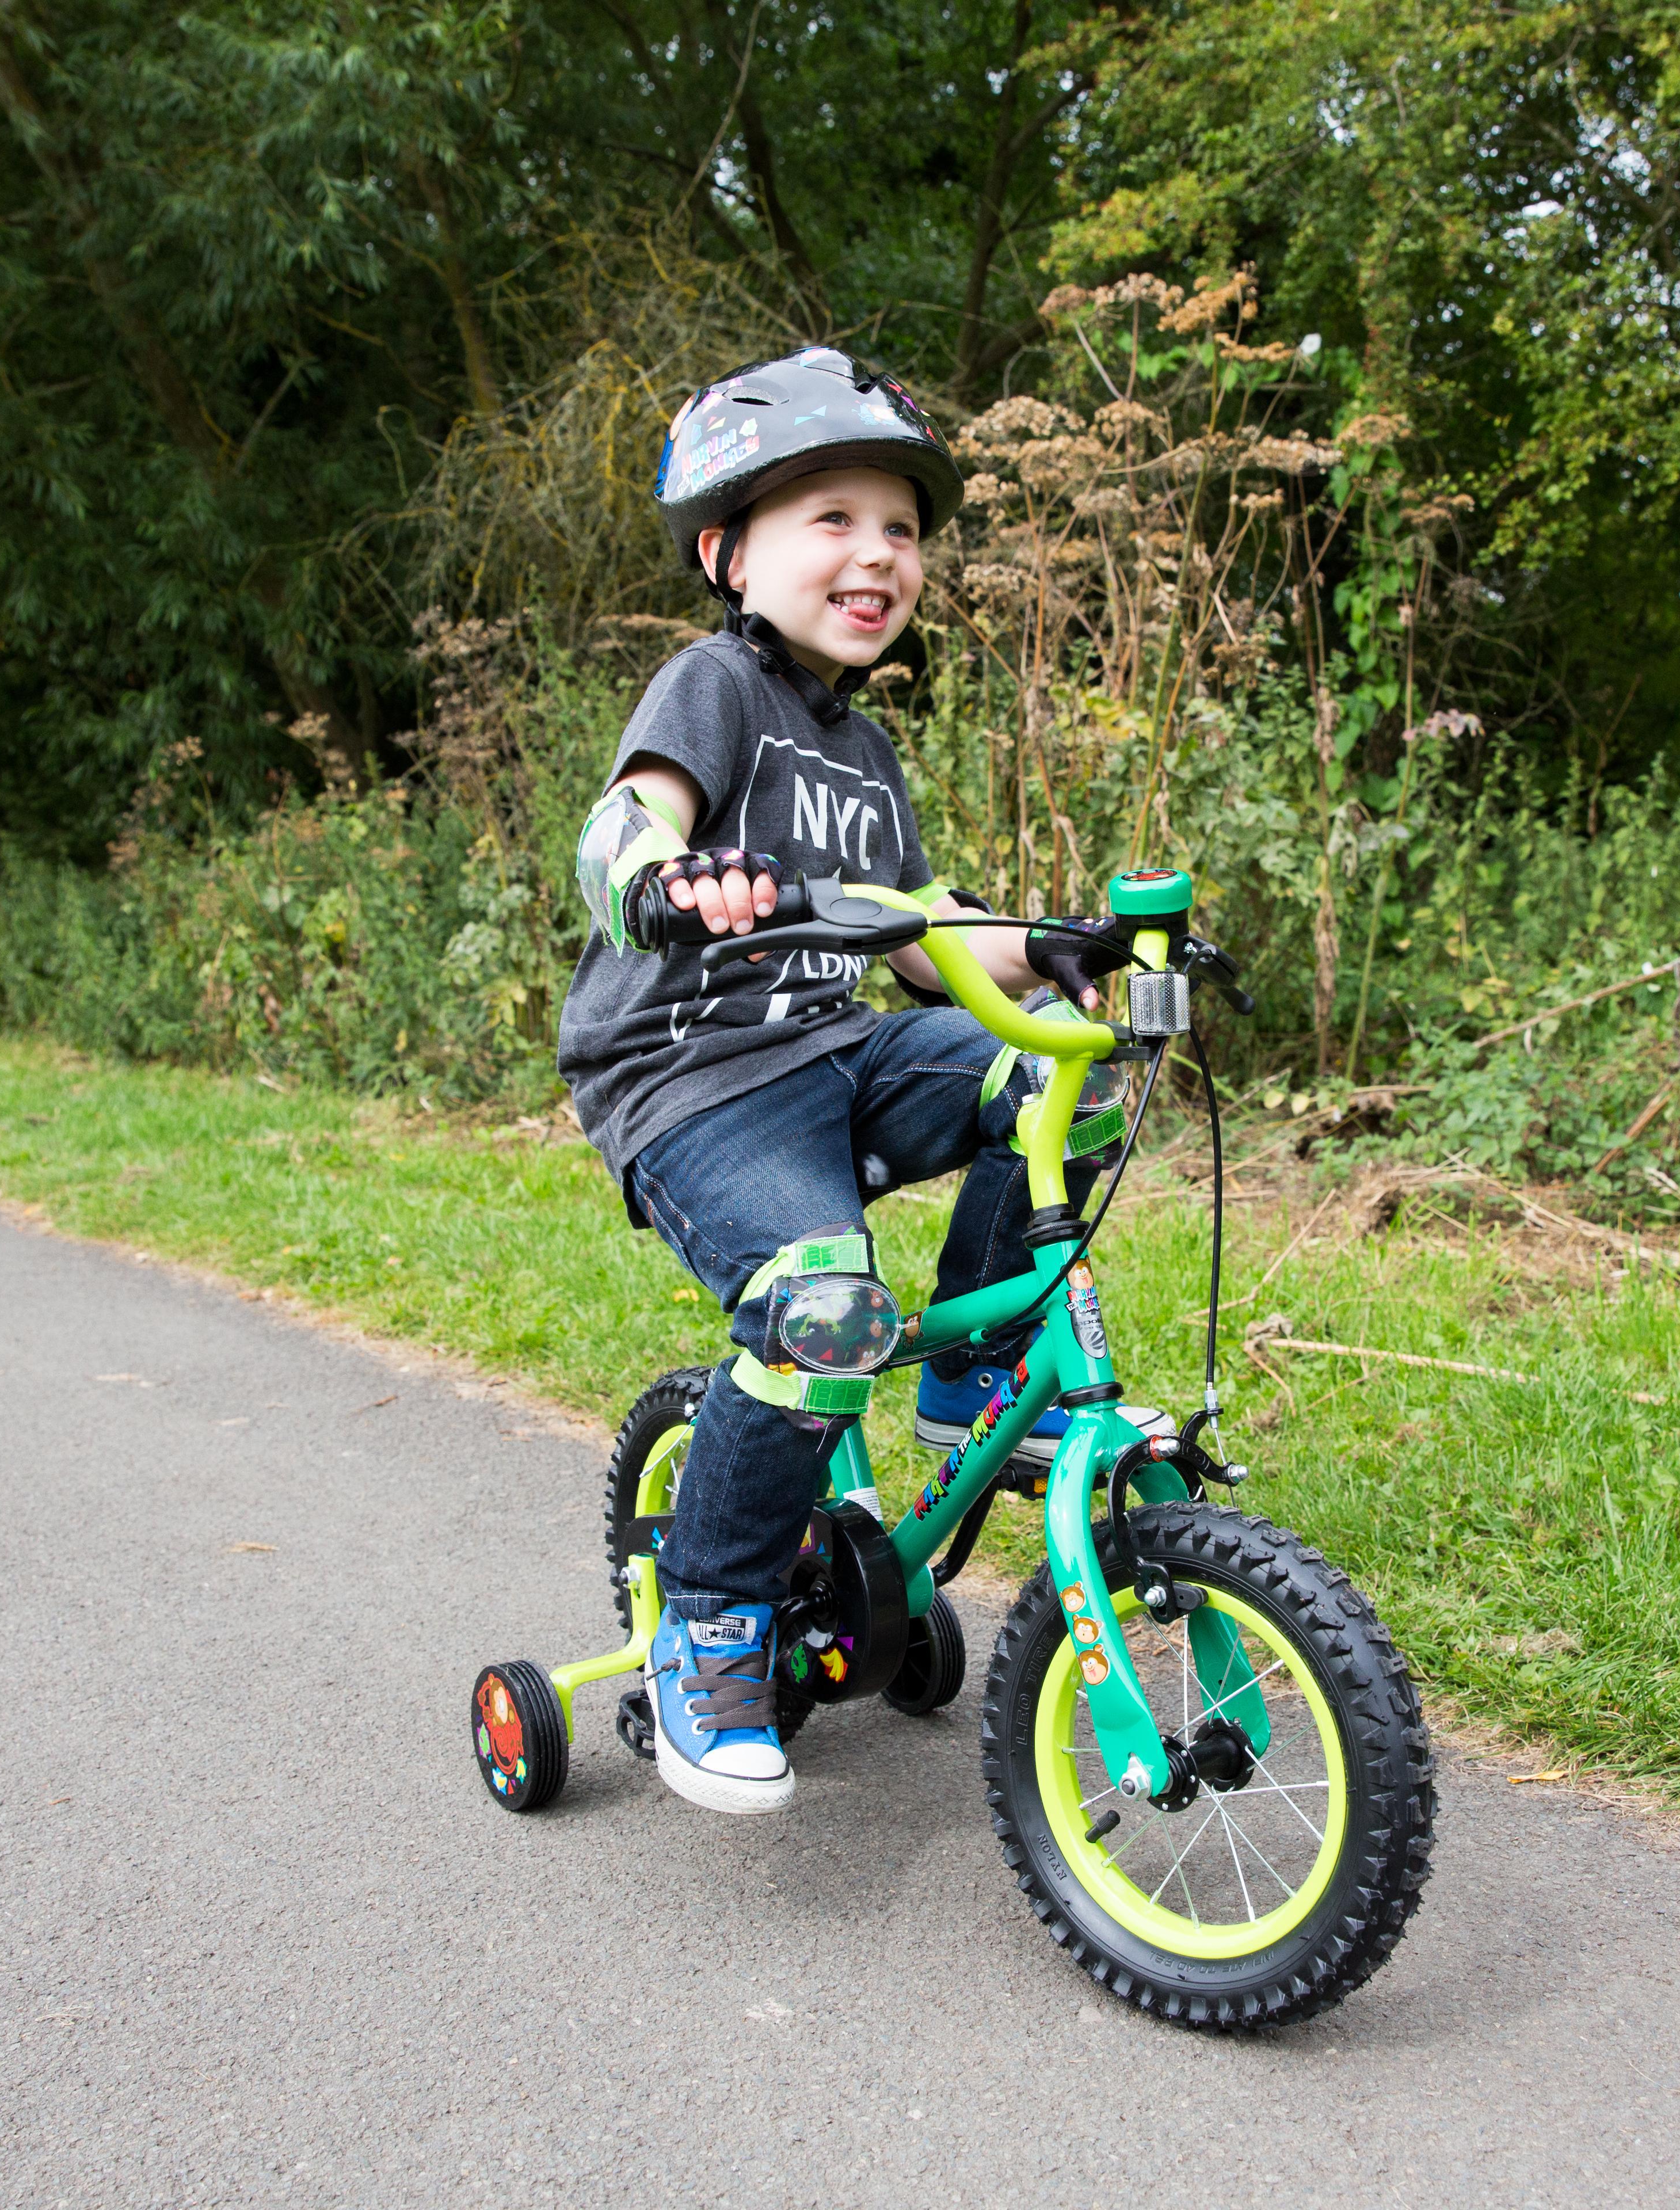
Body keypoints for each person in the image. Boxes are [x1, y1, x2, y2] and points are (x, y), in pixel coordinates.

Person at [557, 346, 1163, 1814]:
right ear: (728, 551)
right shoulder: (714, 687)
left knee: (1067, 1069)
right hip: (695, 1079)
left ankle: (971, 1378)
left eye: (898, 527)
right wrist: (662, 879)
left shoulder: (867, 748)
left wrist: (1072, 948)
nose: (876, 553)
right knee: (823, 1299)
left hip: (842, 1052)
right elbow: (619, 825)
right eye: (830, 518)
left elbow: (923, 942)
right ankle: (711, 1624)